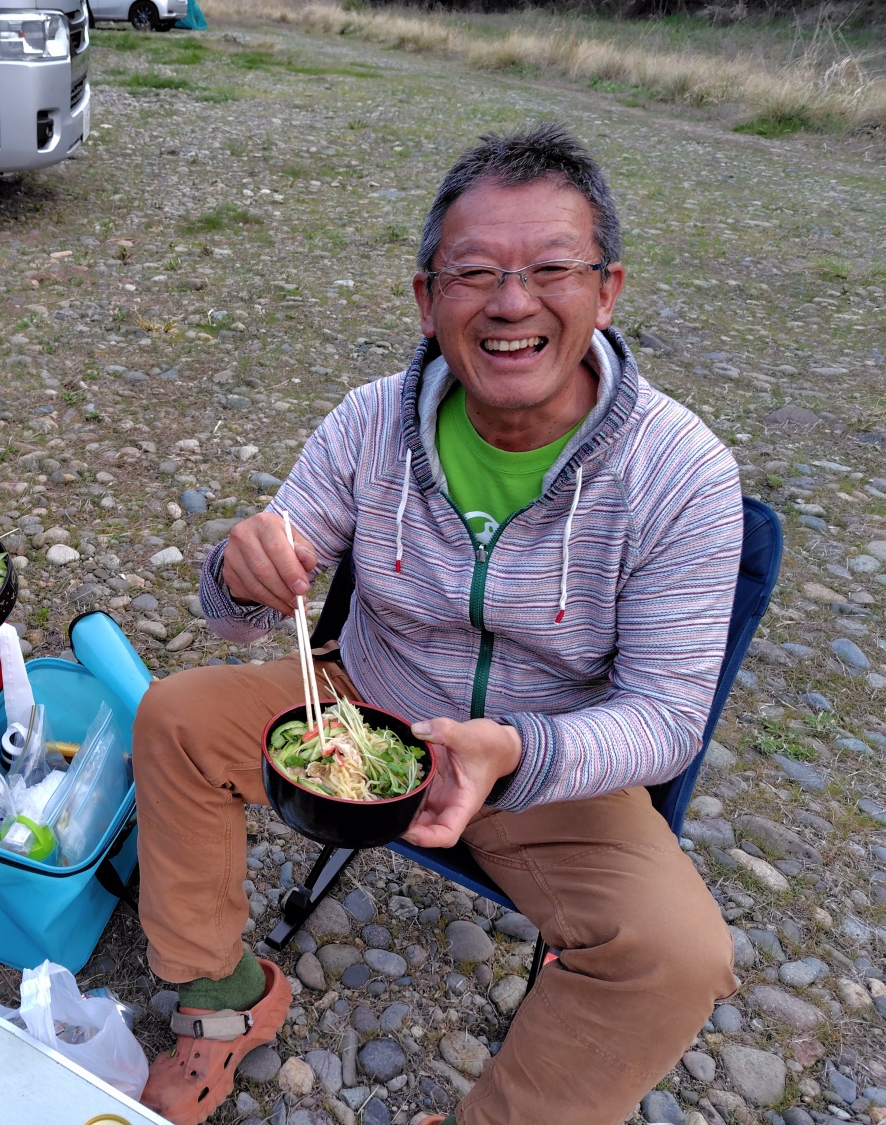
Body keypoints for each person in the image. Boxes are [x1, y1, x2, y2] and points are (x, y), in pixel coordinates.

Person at [134, 122, 743, 1125]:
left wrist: (520, 752)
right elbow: (245, 611)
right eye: (474, 273)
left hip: (548, 759)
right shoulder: (372, 421)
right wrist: (239, 575)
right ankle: (223, 999)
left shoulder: (682, 473)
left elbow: (669, 716)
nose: (512, 303)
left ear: (607, 290)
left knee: (678, 955)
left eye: (552, 269)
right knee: (175, 719)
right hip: (361, 709)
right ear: (427, 299)